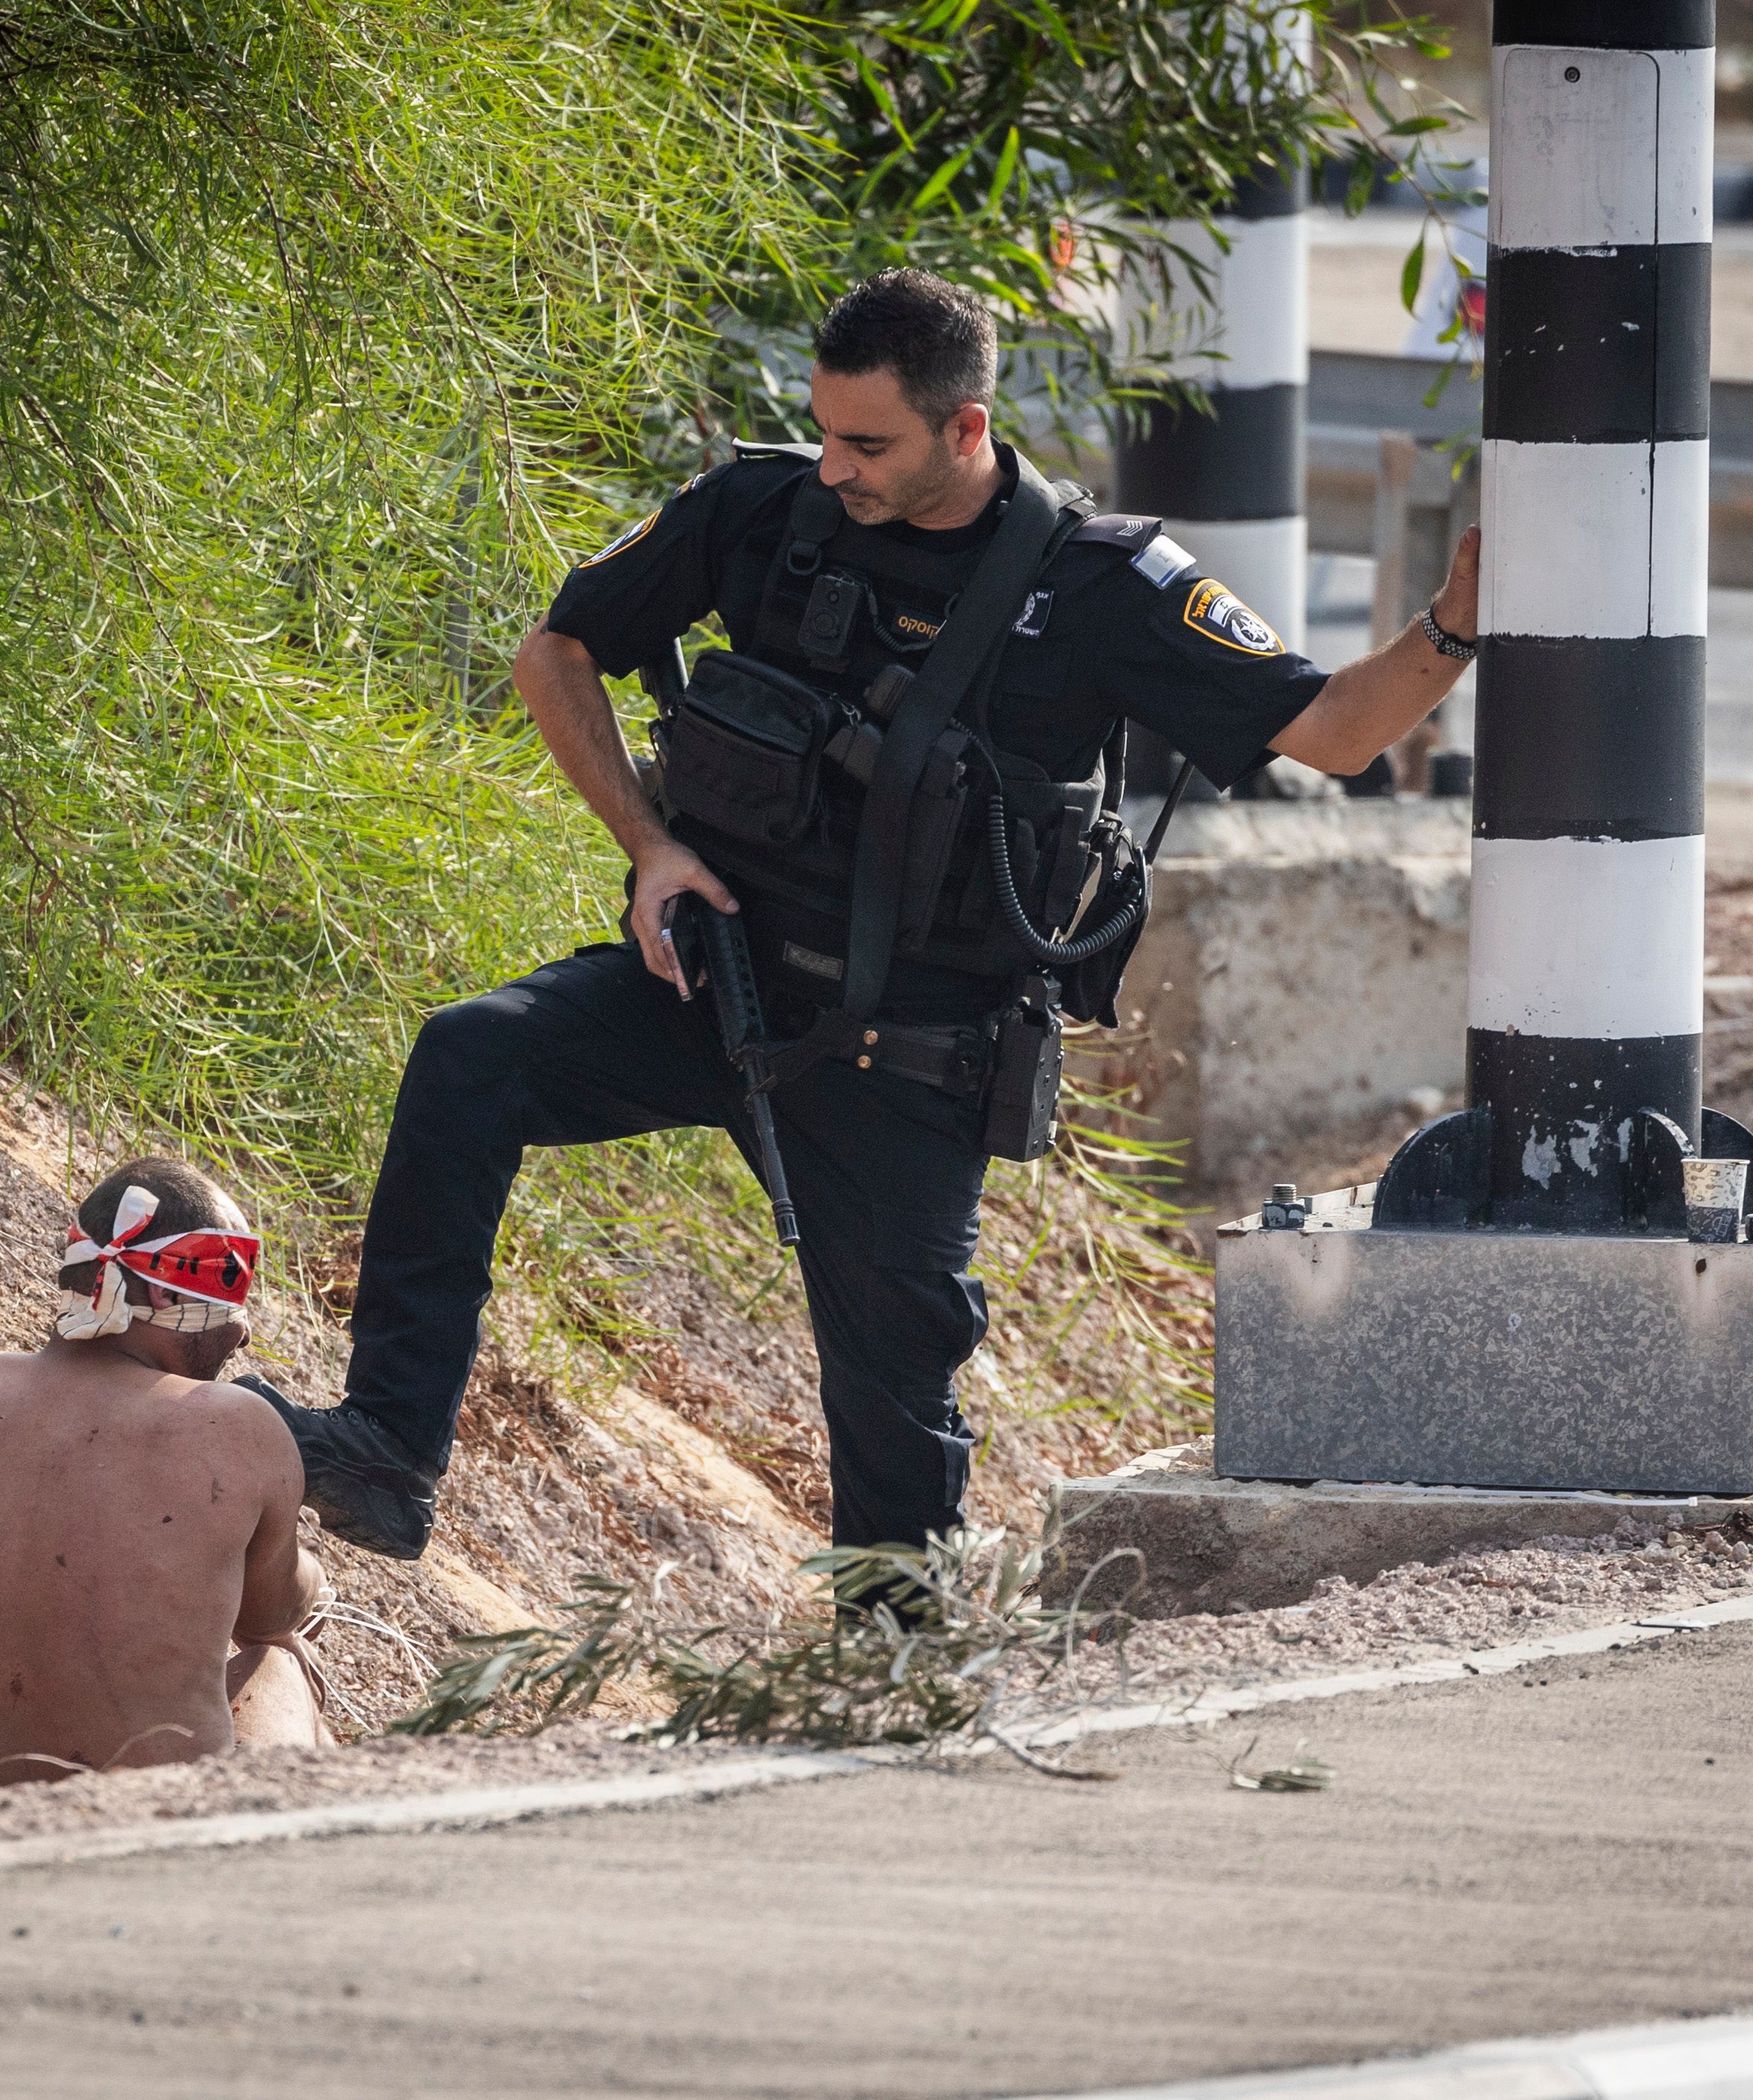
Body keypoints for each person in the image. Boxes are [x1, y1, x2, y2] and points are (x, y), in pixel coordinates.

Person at [262, 267, 1482, 1562]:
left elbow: (1338, 731)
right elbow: (555, 650)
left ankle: (891, 1682)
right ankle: (389, 1447)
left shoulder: (1102, 587)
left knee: (895, 1461)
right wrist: (651, 843)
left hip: (905, 1062)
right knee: (471, 1054)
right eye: (825, 429)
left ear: (965, 429)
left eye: (867, 443)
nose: (833, 466)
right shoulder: (762, 509)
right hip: (712, 983)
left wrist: (1455, 621)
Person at [0, 1157, 331, 1799]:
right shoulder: (234, 1426)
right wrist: (316, 1581)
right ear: (170, 1294)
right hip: (143, 1835)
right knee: (283, 1664)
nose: (242, 1328)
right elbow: (271, 1616)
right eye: (229, 1285)